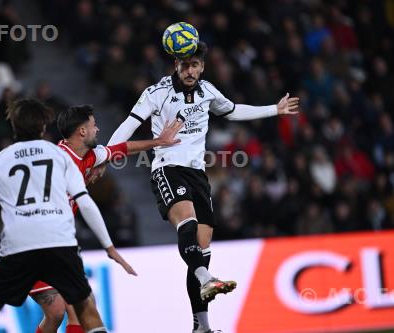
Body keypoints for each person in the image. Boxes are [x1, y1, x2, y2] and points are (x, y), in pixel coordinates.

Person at [107, 41, 299, 333]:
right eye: (185, 65)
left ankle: (202, 326)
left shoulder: (207, 91)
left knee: (201, 248)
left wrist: (275, 109)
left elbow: (233, 111)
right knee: (188, 223)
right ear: (176, 65)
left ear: (202, 67)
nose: (190, 70)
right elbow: (129, 125)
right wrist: (105, 154)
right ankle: (206, 278)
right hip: (168, 168)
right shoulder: (156, 93)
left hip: (198, 175)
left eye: (195, 65)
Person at [0, 99, 136, 333]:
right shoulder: (60, 155)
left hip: (18, 244)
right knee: (87, 310)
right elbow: (84, 202)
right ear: (43, 126)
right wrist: (109, 247)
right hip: (57, 242)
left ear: (14, 128)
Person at [29, 103, 183, 333]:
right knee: (77, 309)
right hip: (37, 243)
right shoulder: (58, 160)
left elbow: (122, 148)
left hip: (58, 244)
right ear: (81, 132)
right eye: (93, 125)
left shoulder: (88, 155)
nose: (98, 129)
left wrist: (158, 141)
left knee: (59, 313)